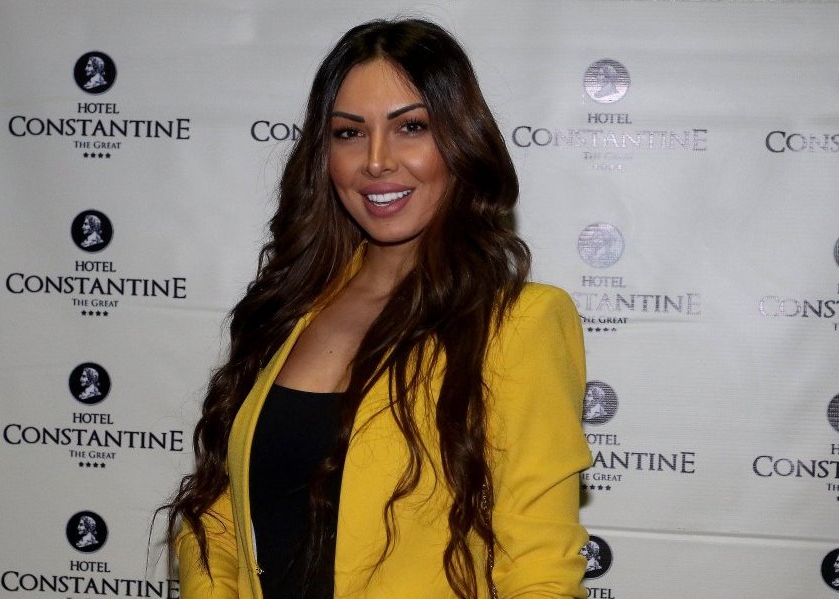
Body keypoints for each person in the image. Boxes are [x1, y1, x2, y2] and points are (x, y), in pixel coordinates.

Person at [168, 18, 590, 599]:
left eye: (411, 127)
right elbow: (215, 519)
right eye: (349, 133)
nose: (376, 161)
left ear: (461, 141)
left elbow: (541, 571)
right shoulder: (288, 306)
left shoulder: (518, 322)